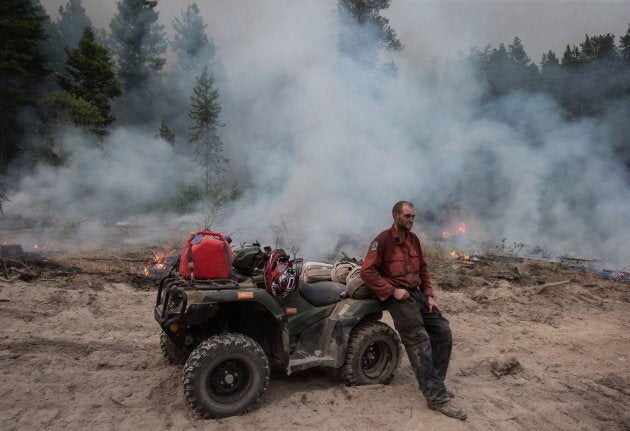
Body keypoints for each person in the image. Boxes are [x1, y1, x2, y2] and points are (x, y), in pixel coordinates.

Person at [360, 200, 467, 420]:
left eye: (413, 217)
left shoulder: (413, 240)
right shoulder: (382, 241)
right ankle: (436, 398)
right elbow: (367, 272)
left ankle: (435, 384)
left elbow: (423, 269)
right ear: (395, 216)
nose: (411, 220)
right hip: (398, 296)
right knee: (419, 340)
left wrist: (429, 295)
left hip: (416, 293)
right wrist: (392, 290)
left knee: (443, 331)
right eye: (407, 216)